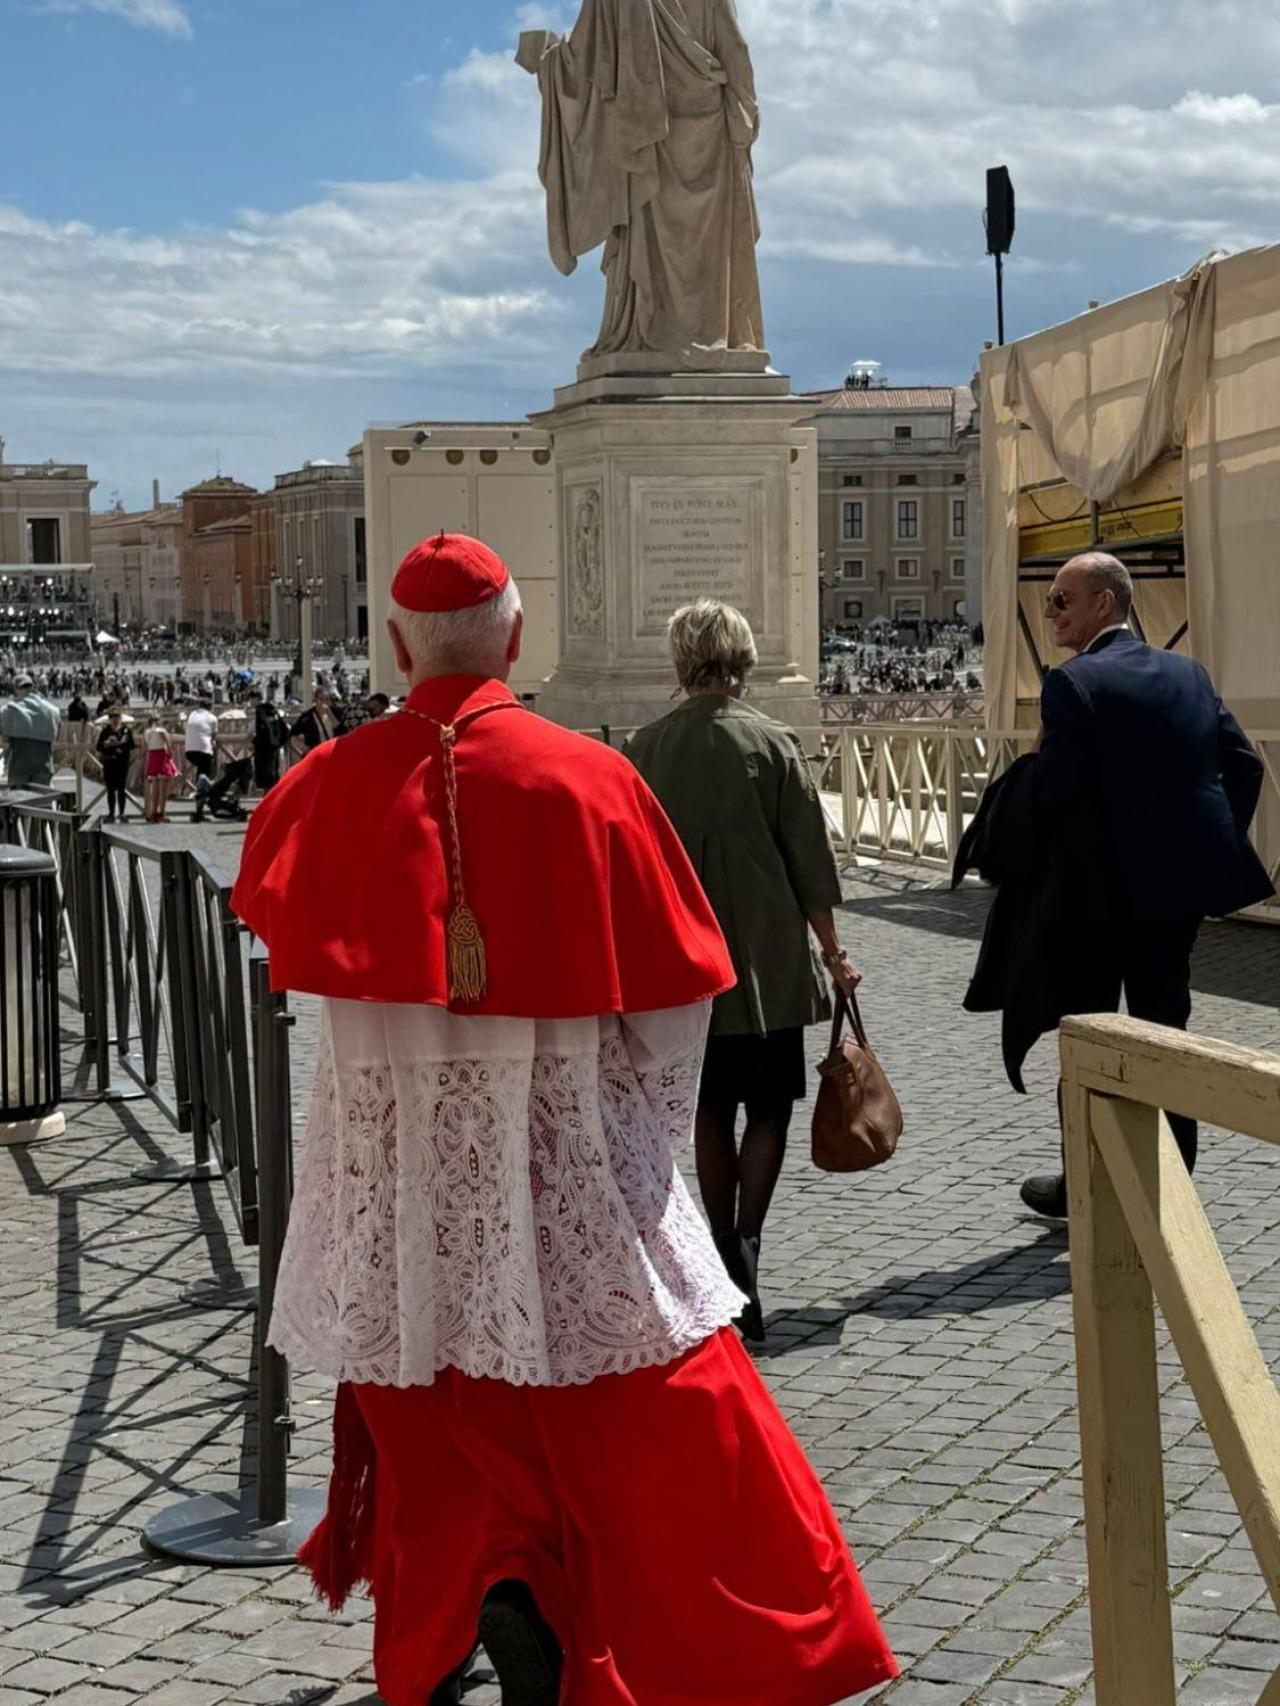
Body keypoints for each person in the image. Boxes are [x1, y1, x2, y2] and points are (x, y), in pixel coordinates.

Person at [231, 534, 895, 1706]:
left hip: (395, 1188)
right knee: (633, 1419)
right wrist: (633, 1136)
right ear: (519, 638)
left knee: (436, 1421)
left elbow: (309, 980)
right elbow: (675, 1004)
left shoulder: (318, 787)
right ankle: (586, 1605)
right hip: (563, 1158)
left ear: (393, 644)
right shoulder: (590, 780)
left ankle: (481, 1589)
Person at [626, 600, 861, 1342]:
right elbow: (810, 864)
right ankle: (744, 1244)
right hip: (765, 960)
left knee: (707, 1110)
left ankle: (719, 1248)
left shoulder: (645, 747)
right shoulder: (772, 741)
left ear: (680, 659)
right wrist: (833, 951)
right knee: (767, 1109)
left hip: (683, 961)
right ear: (743, 657)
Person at [1018, 552, 1273, 1219]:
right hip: (1173, 899)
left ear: (1105, 603)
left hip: (1094, 899)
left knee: (1091, 1036)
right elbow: (1243, 766)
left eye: (1061, 600)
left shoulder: (1073, 684)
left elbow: (1055, 798)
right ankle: (1172, 1182)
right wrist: (1199, 849)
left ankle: (1086, 1185)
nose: (1050, 613)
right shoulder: (1189, 673)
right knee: (1168, 1028)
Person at [1, 675, 62, 787]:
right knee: (43, 799)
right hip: (44, 761)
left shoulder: (10, 709)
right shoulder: (53, 710)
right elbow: (57, 735)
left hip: (20, 762)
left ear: (16, 689)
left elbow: (3, 736)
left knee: (18, 800)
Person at [96, 709, 135, 823]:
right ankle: (111, 813)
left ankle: (122, 813)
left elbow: (131, 745)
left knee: (122, 789)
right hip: (109, 762)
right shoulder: (105, 731)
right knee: (110, 789)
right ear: (109, 718)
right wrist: (106, 744)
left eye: (117, 716)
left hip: (122, 763)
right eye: (112, 716)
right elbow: (98, 747)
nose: (115, 718)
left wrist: (119, 743)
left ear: (120, 717)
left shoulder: (126, 730)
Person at [250, 692, 287, 793]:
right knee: (274, 775)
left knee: (266, 778)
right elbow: (284, 729)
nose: (250, 702)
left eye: (251, 699)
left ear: (256, 698)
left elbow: (254, 732)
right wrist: (279, 743)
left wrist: (254, 742)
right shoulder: (273, 711)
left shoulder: (259, 712)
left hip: (263, 750)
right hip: (276, 748)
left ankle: (268, 800)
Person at [183, 697, 219, 799]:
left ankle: (199, 792)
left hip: (189, 751)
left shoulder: (192, 715)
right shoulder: (212, 718)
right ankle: (205, 794)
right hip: (204, 750)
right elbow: (214, 736)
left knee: (201, 771)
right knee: (205, 772)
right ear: (210, 707)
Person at [143, 721, 178, 823]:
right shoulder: (160, 730)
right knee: (162, 789)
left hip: (152, 756)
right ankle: (161, 812)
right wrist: (170, 752)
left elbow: (145, 747)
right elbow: (167, 744)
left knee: (154, 788)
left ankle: (153, 812)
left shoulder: (147, 732)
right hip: (161, 756)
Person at [289, 688, 339, 753]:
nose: (324, 703)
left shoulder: (335, 713)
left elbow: (341, 731)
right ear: (315, 700)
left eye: (327, 699)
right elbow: (293, 734)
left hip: (332, 753)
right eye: (321, 699)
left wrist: (329, 713)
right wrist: (303, 750)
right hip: (317, 754)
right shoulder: (307, 717)